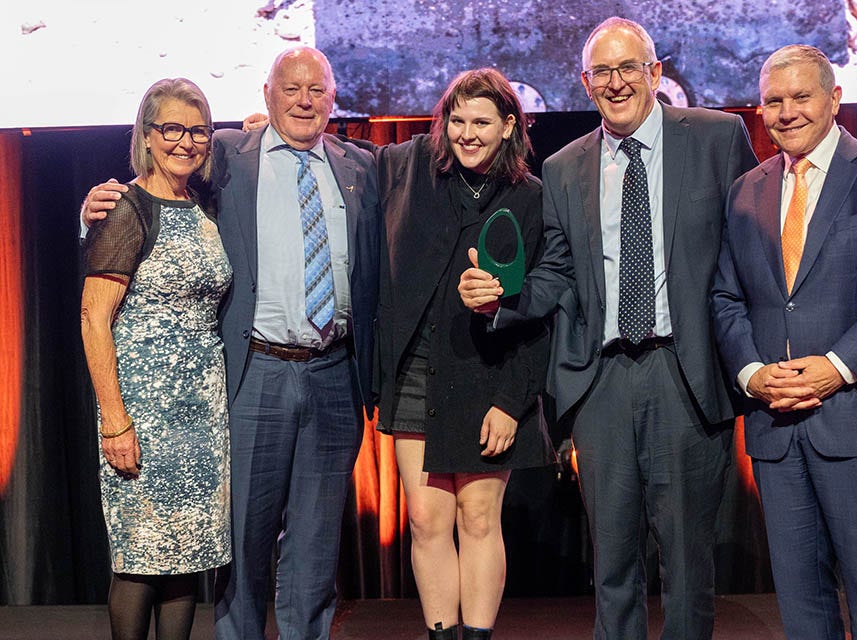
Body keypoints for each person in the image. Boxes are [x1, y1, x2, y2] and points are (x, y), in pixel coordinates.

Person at [458, 16, 757, 639]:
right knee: (613, 565)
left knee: (687, 564)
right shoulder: (565, 167)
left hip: (687, 376)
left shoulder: (717, 138)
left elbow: (752, 252)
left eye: (629, 69)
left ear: (654, 73)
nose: (616, 83)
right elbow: (559, 272)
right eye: (602, 72)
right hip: (602, 385)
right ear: (585, 81)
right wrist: (500, 301)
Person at [82, 47, 380, 640]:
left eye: (316, 90)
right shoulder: (226, 157)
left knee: (318, 543)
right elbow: (147, 191)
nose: (303, 100)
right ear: (265, 97)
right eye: (290, 88)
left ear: (333, 98)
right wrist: (90, 211)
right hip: (255, 372)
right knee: (240, 540)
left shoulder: (361, 166)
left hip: (333, 374)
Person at [710, 44, 857, 639]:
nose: (786, 112)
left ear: (834, 99)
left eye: (801, 97)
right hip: (776, 429)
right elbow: (726, 299)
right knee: (800, 601)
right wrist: (752, 373)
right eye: (773, 101)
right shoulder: (744, 192)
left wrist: (837, 367)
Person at [374, 69, 555, 640]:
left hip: (488, 376)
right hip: (416, 373)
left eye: (482, 122)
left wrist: (511, 402)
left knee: (478, 519)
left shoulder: (530, 198)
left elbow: (541, 313)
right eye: (457, 121)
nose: (467, 134)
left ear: (509, 127)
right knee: (427, 521)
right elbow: (343, 156)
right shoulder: (412, 170)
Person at [80, 77, 231, 640]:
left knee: (186, 558)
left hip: (202, 416)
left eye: (197, 131)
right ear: (146, 136)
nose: (185, 142)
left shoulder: (204, 204)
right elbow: (93, 317)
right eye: (172, 129)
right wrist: (115, 420)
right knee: (141, 557)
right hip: (142, 409)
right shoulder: (128, 208)